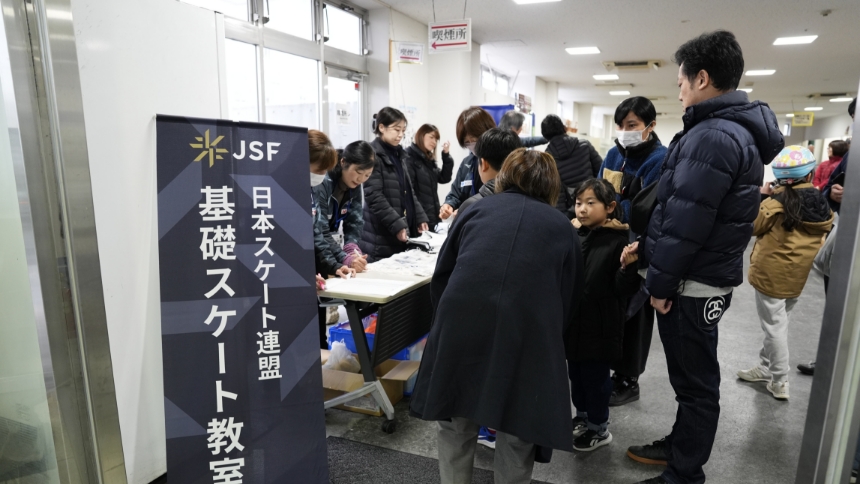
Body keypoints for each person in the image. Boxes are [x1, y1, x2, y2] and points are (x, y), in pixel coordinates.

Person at [625, 30, 784, 484]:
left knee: (695, 385)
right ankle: (681, 446)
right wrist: (648, 248)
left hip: (691, 284)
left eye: (680, 81)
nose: (678, 91)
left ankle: (685, 472)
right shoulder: (726, 131)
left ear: (702, 78)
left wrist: (659, 284)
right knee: (689, 379)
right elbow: (682, 212)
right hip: (699, 276)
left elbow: (687, 223)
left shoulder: (713, 135)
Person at [410, 149, 583, 484]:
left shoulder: (475, 209)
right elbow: (570, 295)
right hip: (528, 329)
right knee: (519, 428)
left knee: (456, 418)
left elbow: (443, 274)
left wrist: (447, 322)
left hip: (461, 320)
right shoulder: (563, 227)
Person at [736, 146, 833, 400]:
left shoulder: (776, 203)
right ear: (809, 174)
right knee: (779, 322)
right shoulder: (820, 202)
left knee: (774, 327)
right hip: (797, 276)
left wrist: (763, 196)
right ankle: (766, 367)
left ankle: (779, 380)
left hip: (771, 275)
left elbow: (752, 227)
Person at [598, 96, 668, 406]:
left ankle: (629, 378)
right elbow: (599, 190)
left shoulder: (660, 159)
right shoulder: (613, 154)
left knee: (636, 312)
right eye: (621, 125)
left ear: (650, 126)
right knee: (611, 308)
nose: (625, 132)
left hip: (639, 244)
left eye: (632, 125)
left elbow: (645, 208)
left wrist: (610, 208)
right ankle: (608, 369)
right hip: (608, 242)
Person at [566, 178, 641, 452]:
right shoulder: (575, 235)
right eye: (578, 203)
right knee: (576, 377)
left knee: (596, 381)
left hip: (600, 327)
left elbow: (623, 289)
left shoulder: (617, 242)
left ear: (610, 207)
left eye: (590, 203)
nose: (582, 209)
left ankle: (599, 427)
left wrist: (627, 269)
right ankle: (583, 417)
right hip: (574, 324)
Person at [798, 97, 854, 376]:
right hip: (846, 237)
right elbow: (831, 186)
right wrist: (833, 193)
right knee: (836, 305)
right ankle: (830, 361)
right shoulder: (851, 157)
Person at [359, 107, 429, 261]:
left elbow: (408, 191)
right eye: (397, 129)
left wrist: (419, 217)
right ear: (381, 127)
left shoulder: (398, 154)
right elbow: (374, 196)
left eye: (403, 130)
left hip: (399, 233)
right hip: (380, 237)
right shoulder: (372, 155)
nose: (401, 134)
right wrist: (397, 224)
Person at [309, 130, 355, 348]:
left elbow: (319, 231)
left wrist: (336, 264)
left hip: (311, 270)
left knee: (316, 337)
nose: (322, 175)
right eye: (319, 170)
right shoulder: (279, 191)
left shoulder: (311, 190)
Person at [313, 140, 374, 276]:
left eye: (367, 175)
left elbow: (355, 221)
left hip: (329, 252)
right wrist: (344, 258)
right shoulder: (322, 181)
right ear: (343, 162)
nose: (361, 179)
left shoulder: (355, 184)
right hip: (316, 250)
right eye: (358, 172)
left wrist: (351, 248)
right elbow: (321, 230)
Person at [439, 107, 497, 221]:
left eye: (475, 140)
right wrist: (449, 205)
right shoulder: (467, 163)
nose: (472, 145)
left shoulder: (501, 161)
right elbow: (455, 193)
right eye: (467, 142)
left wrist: (467, 209)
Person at [542, 114, 603, 216]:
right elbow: (602, 171)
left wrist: (563, 217)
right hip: (593, 202)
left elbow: (556, 191)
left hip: (570, 209)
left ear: (545, 136)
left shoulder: (547, 158)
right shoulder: (584, 145)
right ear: (564, 128)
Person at [454, 127, 522, 218]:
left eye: (473, 140)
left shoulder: (471, 208)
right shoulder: (536, 203)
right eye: (467, 142)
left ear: (484, 164)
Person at [405, 124, 455, 229]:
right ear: (421, 136)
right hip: (420, 219)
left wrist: (446, 156)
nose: (434, 142)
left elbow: (444, 178)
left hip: (432, 216)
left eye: (436, 139)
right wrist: (420, 217)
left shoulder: (428, 159)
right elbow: (409, 191)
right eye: (431, 137)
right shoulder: (409, 157)